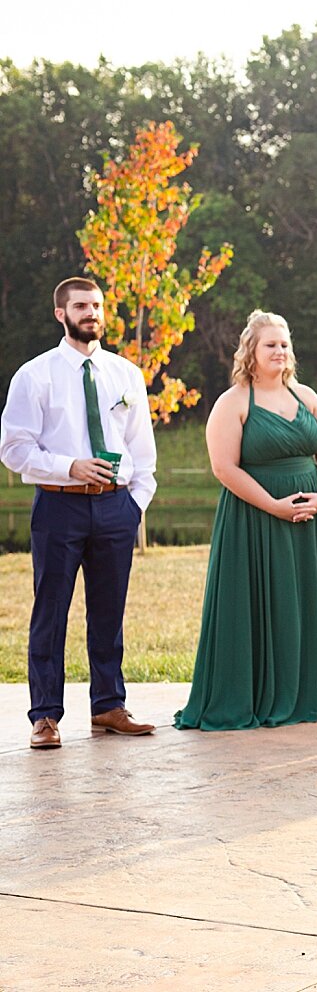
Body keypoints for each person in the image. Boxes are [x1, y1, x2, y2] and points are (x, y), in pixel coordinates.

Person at [175, 311, 317, 729]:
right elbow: (225, 468)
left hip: (312, 519)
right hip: (256, 521)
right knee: (267, 603)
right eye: (270, 345)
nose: (279, 351)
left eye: (284, 344)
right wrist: (274, 506)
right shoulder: (234, 402)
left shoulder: (307, 397)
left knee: (309, 600)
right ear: (251, 351)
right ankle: (264, 692)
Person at [1, 277, 158, 749]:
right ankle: (45, 716)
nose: (91, 313)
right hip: (58, 506)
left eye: (96, 305)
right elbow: (13, 448)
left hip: (116, 508)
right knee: (50, 610)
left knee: (109, 611)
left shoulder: (126, 374)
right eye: (81, 306)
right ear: (61, 314)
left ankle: (109, 706)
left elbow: (142, 449)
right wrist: (68, 466)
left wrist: (135, 504)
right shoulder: (34, 375)